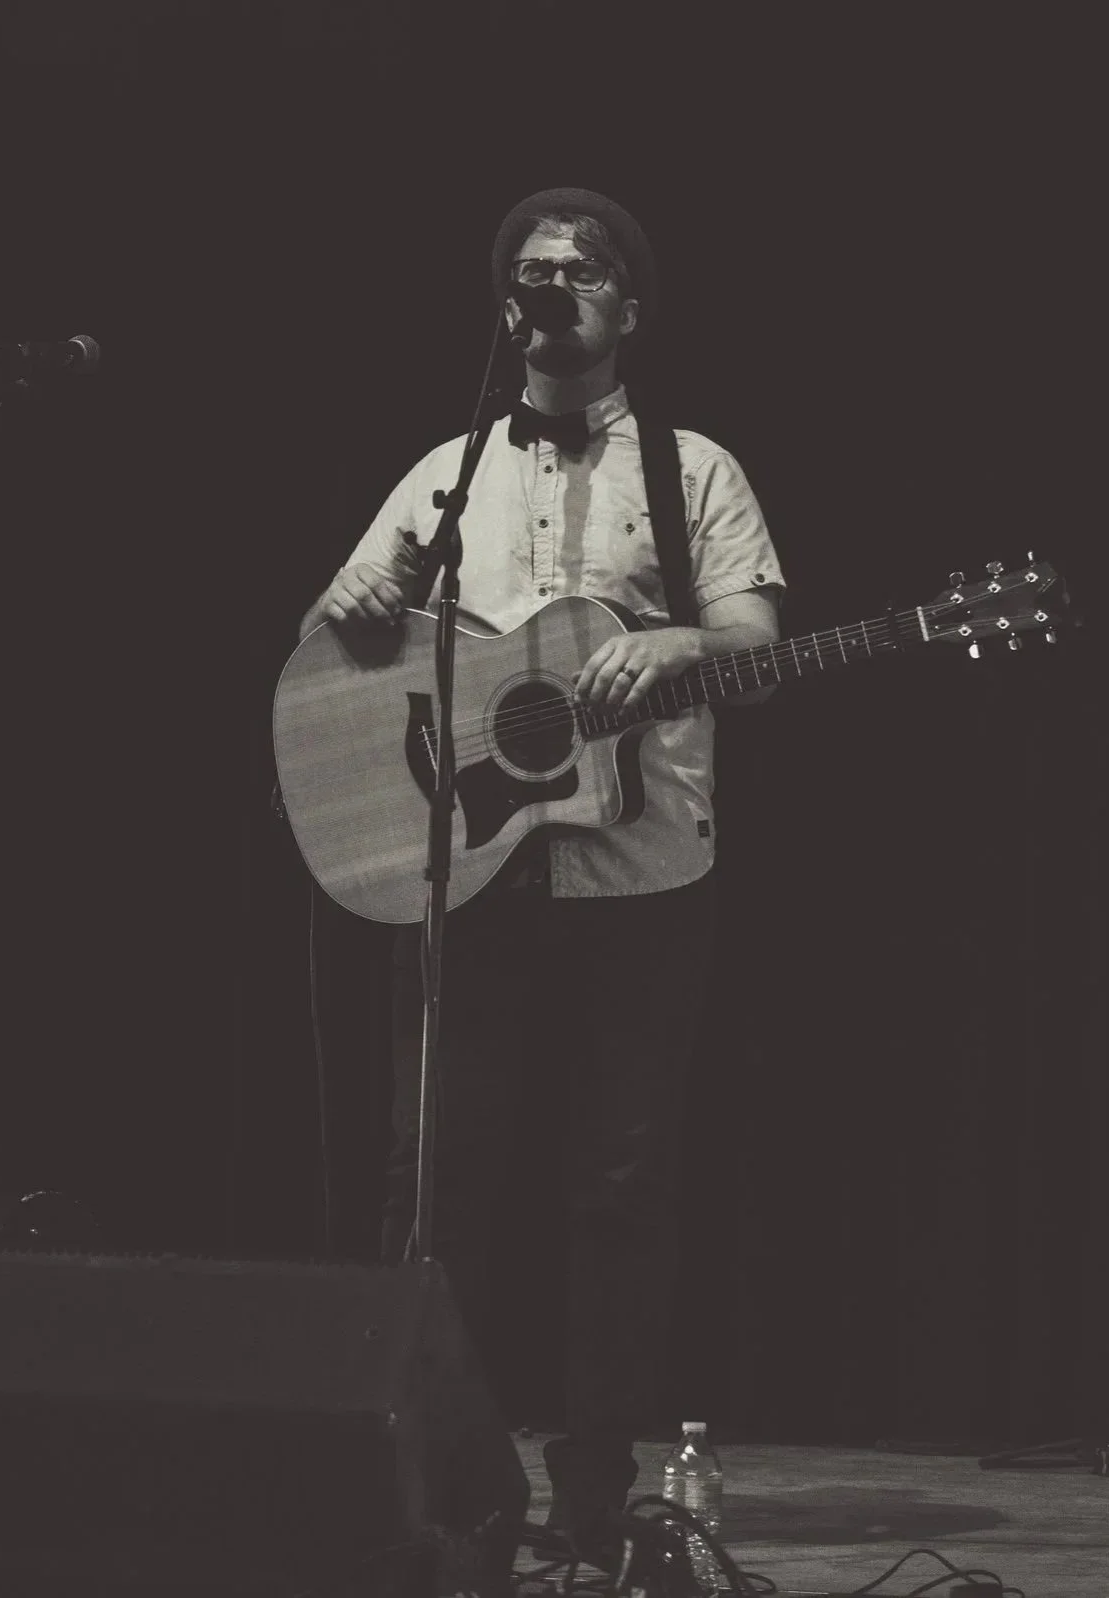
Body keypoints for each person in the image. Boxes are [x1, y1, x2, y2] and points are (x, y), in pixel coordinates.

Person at [298, 188, 785, 1548]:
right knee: (434, 1179)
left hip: (641, 884)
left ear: (628, 305)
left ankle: (588, 1484)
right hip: (466, 883)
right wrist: (339, 607)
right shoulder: (444, 472)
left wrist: (687, 644)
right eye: (530, 268)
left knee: (617, 1186)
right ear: (504, 303)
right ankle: (434, 1472)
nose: (552, 281)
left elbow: (749, 636)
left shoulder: (693, 472)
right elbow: (332, 655)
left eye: (581, 267)